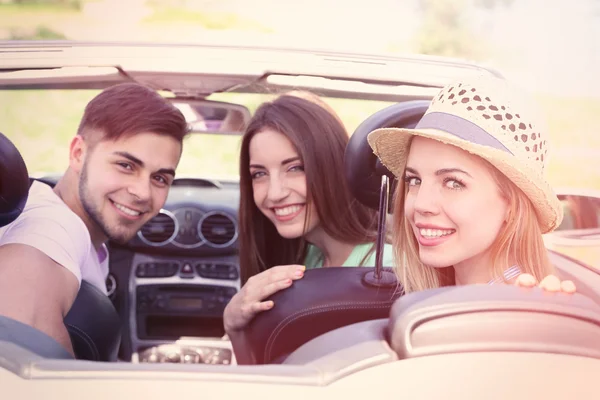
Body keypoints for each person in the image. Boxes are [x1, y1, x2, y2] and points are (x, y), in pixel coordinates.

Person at [0, 83, 189, 355]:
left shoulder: (77, 223)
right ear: (78, 153)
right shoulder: (55, 226)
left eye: (159, 178)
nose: (142, 192)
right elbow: (15, 323)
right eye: (126, 166)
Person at [367, 75, 576, 294]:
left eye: (453, 183)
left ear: (512, 207)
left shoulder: (520, 312)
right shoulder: (439, 297)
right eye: (414, 180)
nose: (421, 204)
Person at [223, 94, 394, 337]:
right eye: (259, 174)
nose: (275, 193)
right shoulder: (309, 257)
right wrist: (232, 319)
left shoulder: (386, 272)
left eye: (295, 168)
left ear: (332, 165)